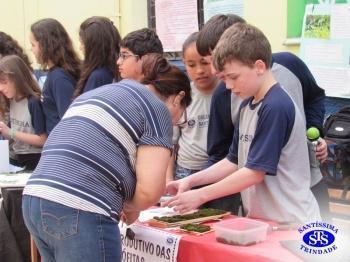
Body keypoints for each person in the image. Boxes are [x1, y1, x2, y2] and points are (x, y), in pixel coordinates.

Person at [22, 53, 192, 262]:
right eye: (180, 117)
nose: (175, 123)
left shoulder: (100, 93)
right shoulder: (157, 110)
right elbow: (150, 191)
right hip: (79, 207)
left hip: (34, 199)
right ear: (178, 98)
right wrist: (131, 207)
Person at [165, 23, 321, 223]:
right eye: (224, 79)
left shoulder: (276, 106)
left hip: (292, 221)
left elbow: (254, 173)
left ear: (259, 66)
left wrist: (201, 195)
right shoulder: (247, 105)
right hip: (263, 220)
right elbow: (233, 161)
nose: (228, 86)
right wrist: (190, 181)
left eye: (233, 77)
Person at [168, 32, 218, 181]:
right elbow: (171, 144)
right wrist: (168, 180)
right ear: (184, 63)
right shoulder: (181, 97)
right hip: (186, 171)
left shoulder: (230, 93)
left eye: (205, 63)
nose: (199, 70)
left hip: (219, 171)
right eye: (191, 65)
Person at [30, 18, 81, 134]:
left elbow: (68, 121)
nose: (31, 50)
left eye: (33, 45)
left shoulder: (59, 78)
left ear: (45, 45)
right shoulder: (55, 73)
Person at [0, 55, 46, 170]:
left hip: (34, 159)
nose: (1, 88)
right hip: (17, 156)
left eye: (4, 82)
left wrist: (11, 132)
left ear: (17, 79)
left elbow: (42, 140)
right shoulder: (12, 101)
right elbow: (12, 134)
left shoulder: (33, 102)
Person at [73, 16, 121, 98]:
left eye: (82, 43)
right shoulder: (116, 70)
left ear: (94, 45)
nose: (80, 48)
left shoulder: (98, 76)